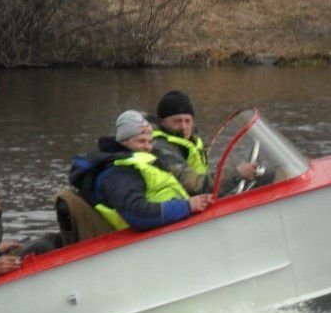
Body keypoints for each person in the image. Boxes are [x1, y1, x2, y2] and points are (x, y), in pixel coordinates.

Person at [67, 110, 211, 232]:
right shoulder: (119, 171)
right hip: (141, 241)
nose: (148, 147)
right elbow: (137, 214)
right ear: (124, 141)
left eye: (149, 142)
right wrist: (187, 206)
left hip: (172, 227)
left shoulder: (139, 162)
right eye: (141, 141)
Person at [150, 90, 258, 194]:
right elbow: (197, 186)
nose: (183, 126)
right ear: (162, 122)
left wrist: (234, 166)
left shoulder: (191, 141)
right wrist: (237, 173)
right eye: (177, 121)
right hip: (179, 208)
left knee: (265, 177)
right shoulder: (160, 148)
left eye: (187, 121)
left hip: (198, 201)